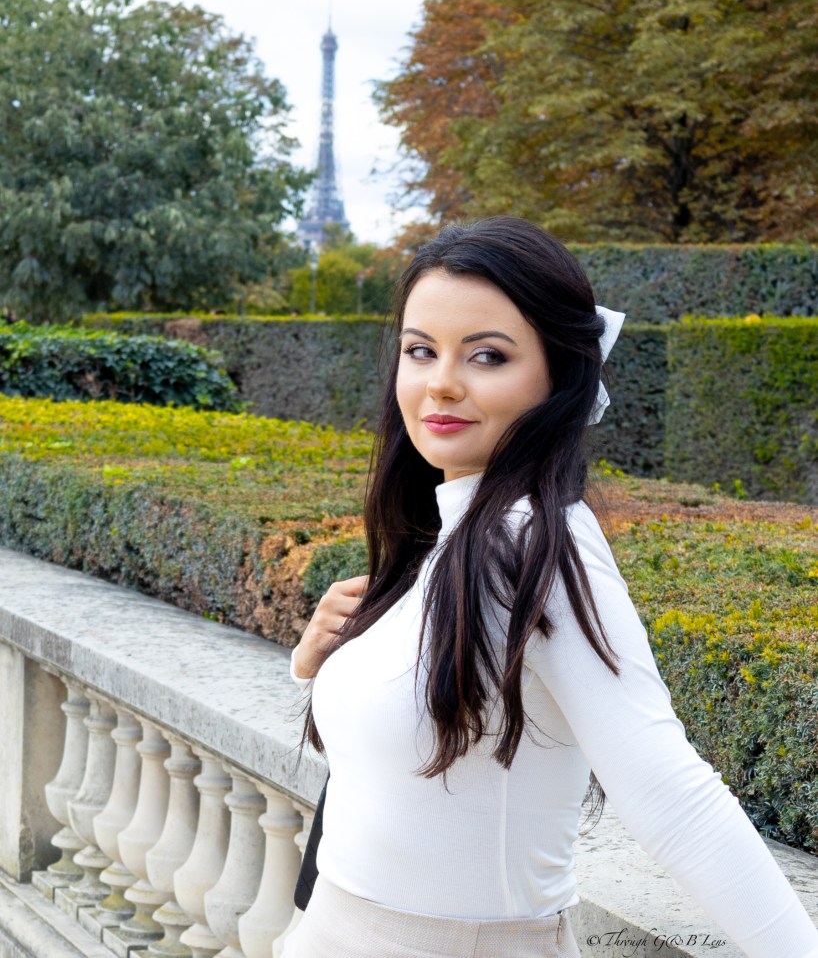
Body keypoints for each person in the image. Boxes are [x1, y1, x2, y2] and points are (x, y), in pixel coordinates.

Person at [285, 217, 818, 958]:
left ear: (559, 376)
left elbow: (671, 795)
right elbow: (398, 782)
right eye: (420, 350)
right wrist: (317, 662)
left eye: (488, 355)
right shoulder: (446, 534)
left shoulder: (536, 542)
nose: (442, 383)